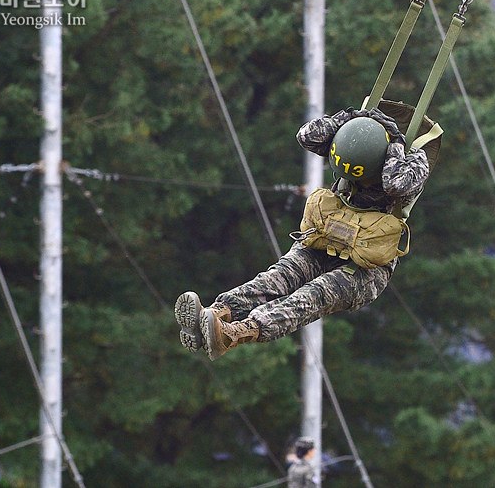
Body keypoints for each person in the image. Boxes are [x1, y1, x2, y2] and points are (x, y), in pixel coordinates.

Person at [175, 107, 430, 360]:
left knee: (311, 296)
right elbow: (307, 135)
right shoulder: (348, 141)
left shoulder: (412, 161)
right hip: (327, 238)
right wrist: (349, 120)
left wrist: (395, 143)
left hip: (364, 269)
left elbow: (396, 184)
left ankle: (235, 333)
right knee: (279, 276)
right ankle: (217, 314)